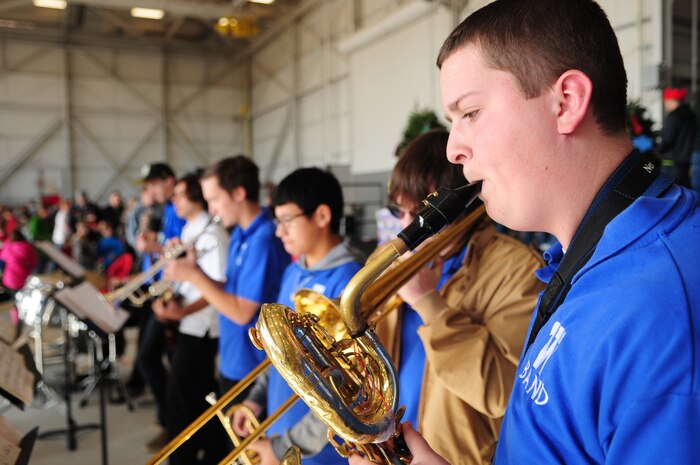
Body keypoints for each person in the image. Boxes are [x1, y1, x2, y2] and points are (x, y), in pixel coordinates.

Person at [350, 1, 700, 464]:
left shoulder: (661, 314)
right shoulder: (593, 257)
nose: (454, 148)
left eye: (470, 112)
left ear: (567, 102)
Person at [368, 128, 544, 465]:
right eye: (399, 211)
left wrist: (426, 302)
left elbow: (504, 393)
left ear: (454, 206)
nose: (406, 226)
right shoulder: (390, 260)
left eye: (418, 213)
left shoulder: (518, 270)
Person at [231, 167, 364, 465]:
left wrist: (284, 447)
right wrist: (256, 399)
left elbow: (347, 390)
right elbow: (277, 350)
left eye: (287, 221)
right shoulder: (293, 271)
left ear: (321, 216)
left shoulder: (350, 282)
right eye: (278, 222)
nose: (279, 231)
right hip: (283, 436)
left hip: (322, 452)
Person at [164, 155, 290, 399]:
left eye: (214, 200)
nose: (211, 209)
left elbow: (242, 312)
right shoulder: (240, 234)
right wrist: (194, 270)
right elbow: (230, 287)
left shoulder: (262, 240)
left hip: (253, 366)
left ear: (238, 193)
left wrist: (193, 276)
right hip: (233, 357)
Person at [151, 171, 230, 465]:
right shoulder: (189, 229)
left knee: (180, 404)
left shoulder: (212, 232)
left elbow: (216, 286)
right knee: (196, 399)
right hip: (186, 323)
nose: (175, 201)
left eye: (180, 194)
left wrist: (182, 311)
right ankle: (212, 453)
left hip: (201, 329)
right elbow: (186, 279)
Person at [133, 161, 186, 451]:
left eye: (154, 184)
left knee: (150, 357)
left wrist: (155, 248)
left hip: (174, 295)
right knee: (158, 358)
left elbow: (182, 251)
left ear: (168, 180)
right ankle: (170, 418)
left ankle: (172, 422)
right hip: (160, 290)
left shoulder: (175, 210)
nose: (151, 190)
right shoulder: (163, 211)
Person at [658, 87, 696, 187]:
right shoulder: (691, 116)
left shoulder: (673, 117)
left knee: (667, 191)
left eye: (665, 101)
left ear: (671, 101)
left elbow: (667, 140)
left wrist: (658, 150)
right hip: (685, 162)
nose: (665, 104)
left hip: (670, 162)